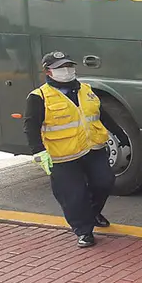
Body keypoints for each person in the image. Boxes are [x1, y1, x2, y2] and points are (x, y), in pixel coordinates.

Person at [22, 52, 125, 248]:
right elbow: (30, 126)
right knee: (73, 195)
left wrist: (120, 134)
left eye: (69, 66)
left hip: (92, 148)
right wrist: (38, 151)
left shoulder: (85, 90)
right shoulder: (39, 97)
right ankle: (84, 230)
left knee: (105, 182)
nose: (67, 71)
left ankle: (92, 212)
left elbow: (101, 114)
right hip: (62, 155)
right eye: (60, 67)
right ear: (48, 71)